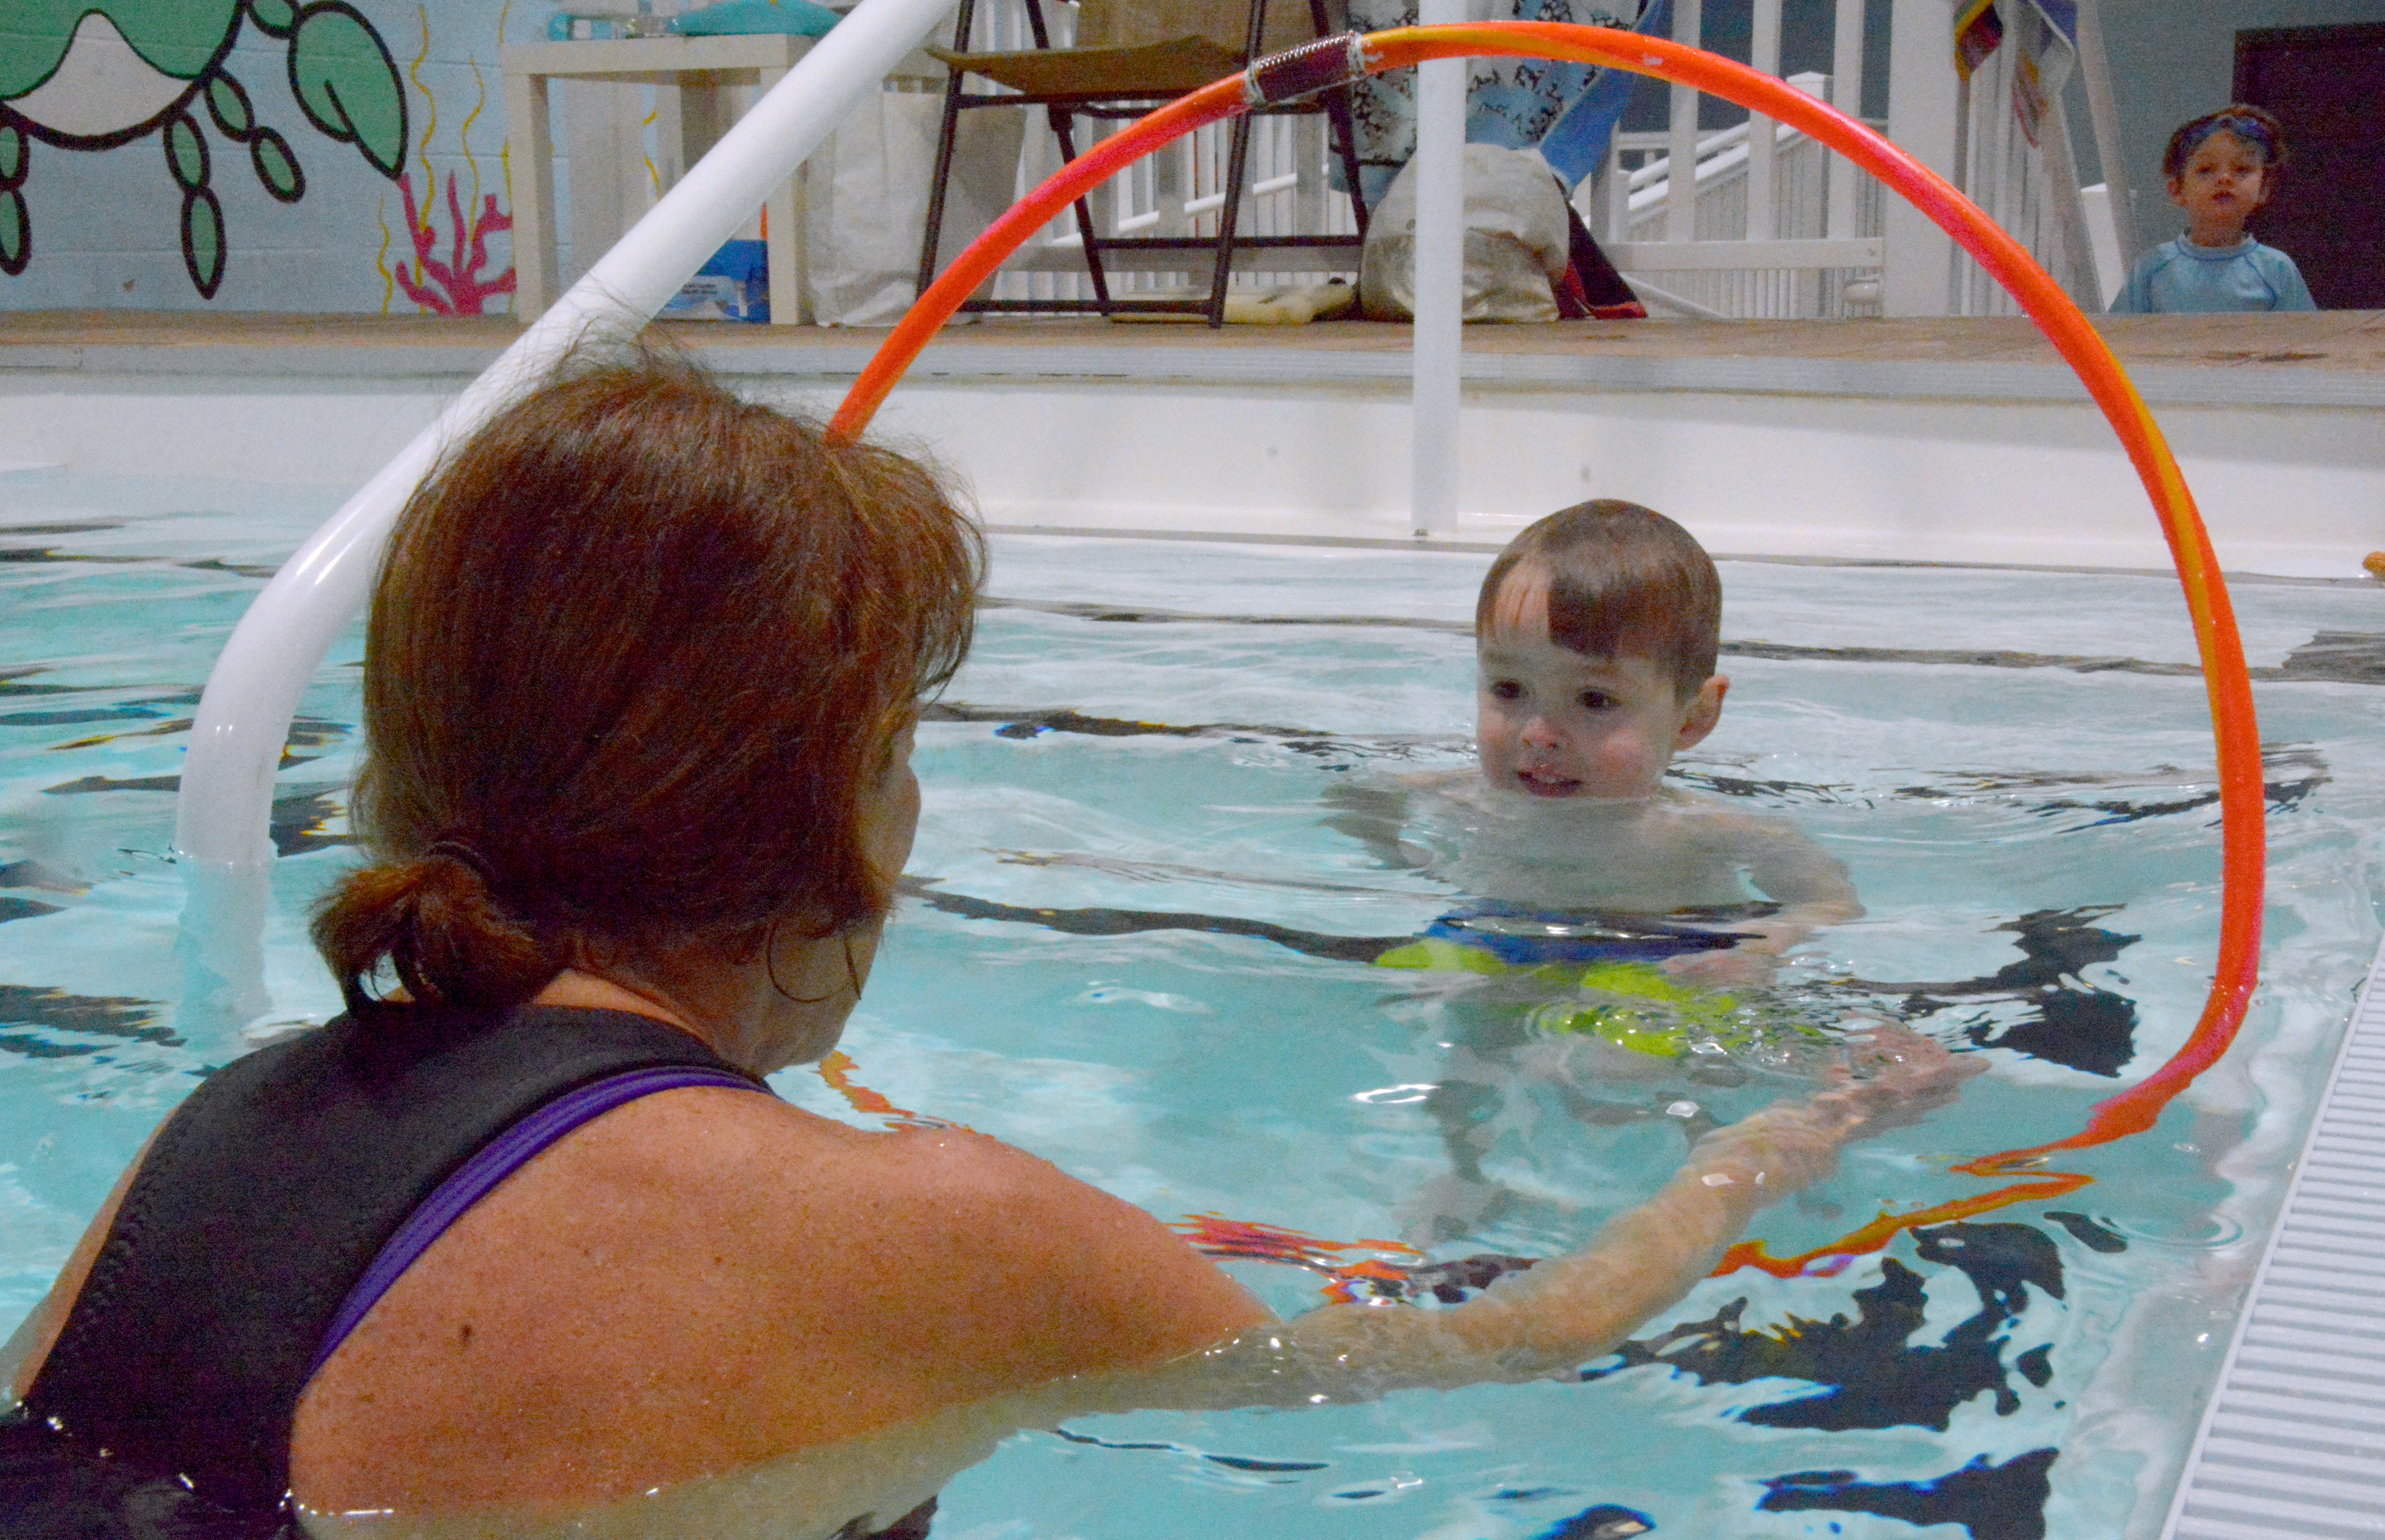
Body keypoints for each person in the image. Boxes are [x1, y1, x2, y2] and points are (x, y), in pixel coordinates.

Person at [0, 356, 1974, 1538]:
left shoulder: (205, 1146)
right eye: (898, 751)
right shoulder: (926, 1232)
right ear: (826, 819)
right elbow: (1514, 1342)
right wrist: (1781, 1139)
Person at [2109, 105, 2316, 314]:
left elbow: (2306, 340)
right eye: (2206, 170)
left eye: (2242, 169)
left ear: (2263, 189)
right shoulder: (2152, 269)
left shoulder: (2277, 270)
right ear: (2177, 190)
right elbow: (2112, 341)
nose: (2225, 179)